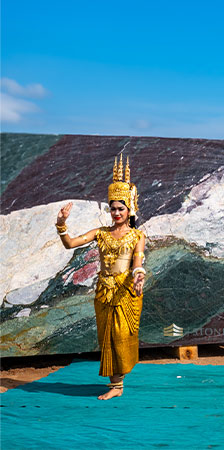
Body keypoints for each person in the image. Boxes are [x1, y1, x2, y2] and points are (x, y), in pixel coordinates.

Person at [56, 154, 147, 400]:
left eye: (120, 209)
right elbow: (71, 244)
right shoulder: (101, 233)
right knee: (107, 337)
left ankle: (119, 382)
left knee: (122, 336)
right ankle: (115, 385)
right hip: (104, 292)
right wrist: (61, 225)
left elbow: (138, 261)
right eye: (112, 209)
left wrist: (139, 275)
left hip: (127, 291)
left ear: (130, 210)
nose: (115, 213)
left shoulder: (137, 235)